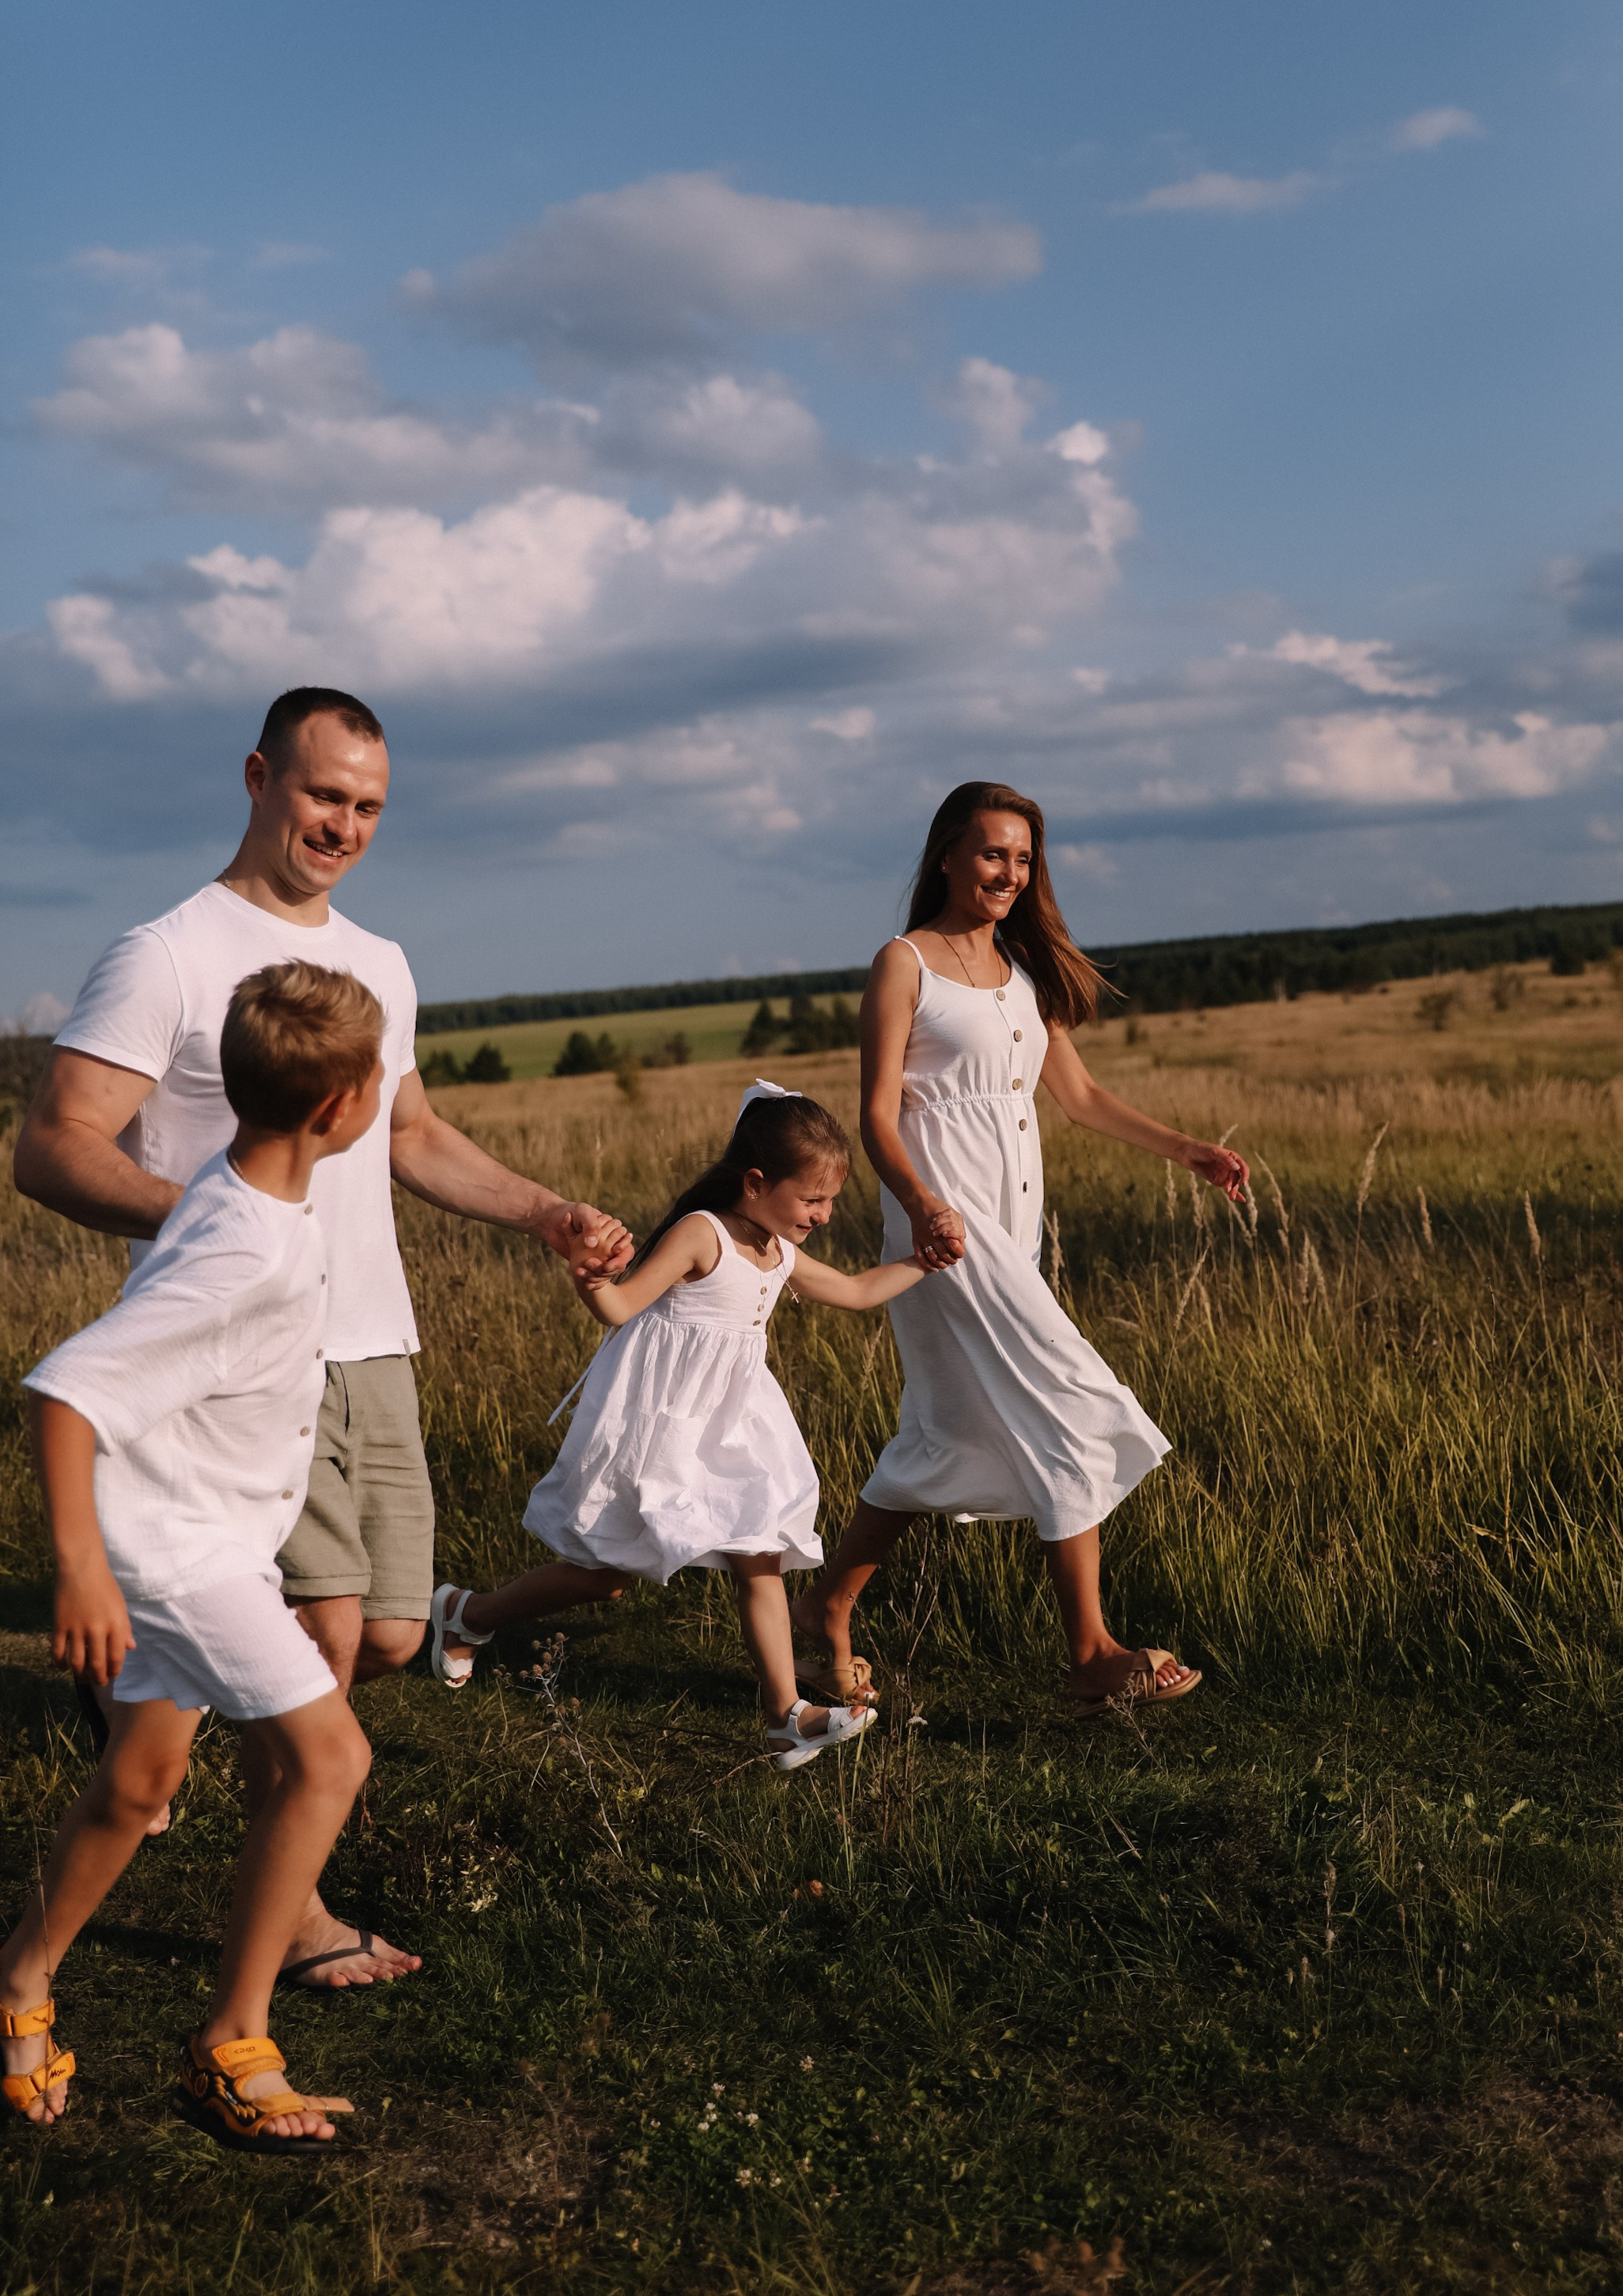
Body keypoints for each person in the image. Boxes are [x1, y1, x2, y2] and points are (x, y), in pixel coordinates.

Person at [12, 687, 631, 1991]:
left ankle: (149, 1673)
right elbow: (54, 1142)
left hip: (371, 1346)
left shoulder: (381, 962)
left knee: (396, 1634)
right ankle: (284, 1924)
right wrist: (221, 1219)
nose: (342, 823)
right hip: (239, 1356)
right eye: (322, 794)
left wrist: (544, 1212)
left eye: (367, 806)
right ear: (257, 776)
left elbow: (406, 1133)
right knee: (322, 1643)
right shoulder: (166, 950)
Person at [2, 963, 384, 2147]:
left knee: (138, 1783)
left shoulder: (239, 1196)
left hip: (196, 1527)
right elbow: (67, 1392)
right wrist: (81, 1569)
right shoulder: (243, 1247)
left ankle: (19, 1985)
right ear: (342, 1106)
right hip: (175, 1552)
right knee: (330, 1758)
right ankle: (233, 2040)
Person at [791, 781, 1249, 1714]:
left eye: (1024, 859)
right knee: (1075, 1402)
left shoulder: (1026, 974)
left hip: (1013, 1224)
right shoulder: (903, 962)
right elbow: (878, 1114)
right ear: (949, 856)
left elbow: (1077, 1098)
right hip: (946, 1229)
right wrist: (921, 1205)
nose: (1009, 872)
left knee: (943, 1432)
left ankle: (824, 1608)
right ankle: (1090, 1651)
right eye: (993, 853)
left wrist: (1188, 1149)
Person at [430, 1085, 940, 1770]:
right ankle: (468, 1614)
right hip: (657, 1425)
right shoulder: (704, 1233)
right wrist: (590, 1281)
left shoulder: (778, 1250)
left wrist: (921, 1262)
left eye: (830, 1201)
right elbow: (621, 1307)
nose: (823, 1214)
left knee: (759, 1549)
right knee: (602, 1577)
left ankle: (787, 1717)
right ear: (756, 1183)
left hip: (733, 1428)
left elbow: (852, 1292)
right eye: (812, 1199)